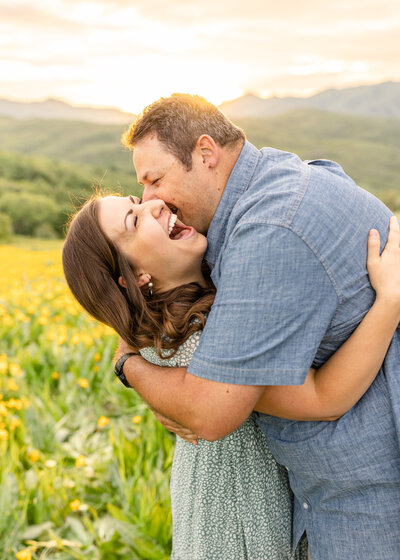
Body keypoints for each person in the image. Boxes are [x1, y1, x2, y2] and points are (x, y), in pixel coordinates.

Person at [113, 94, 400, 560]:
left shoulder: (271, 229)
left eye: (155, 179)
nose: (152, 200)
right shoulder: (271, 185)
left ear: (206, 154)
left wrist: (128, 364)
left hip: (366, 494)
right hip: (322, 491)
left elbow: (209, 411)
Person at [63, 193, 400, 559]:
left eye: (136, 199)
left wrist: (128, 362)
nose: (154, 204)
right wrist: (389, 302)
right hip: (235, 521)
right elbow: (325, 398)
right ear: (135, 277)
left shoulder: (188, 316)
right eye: (134, 220)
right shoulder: (194, 344)